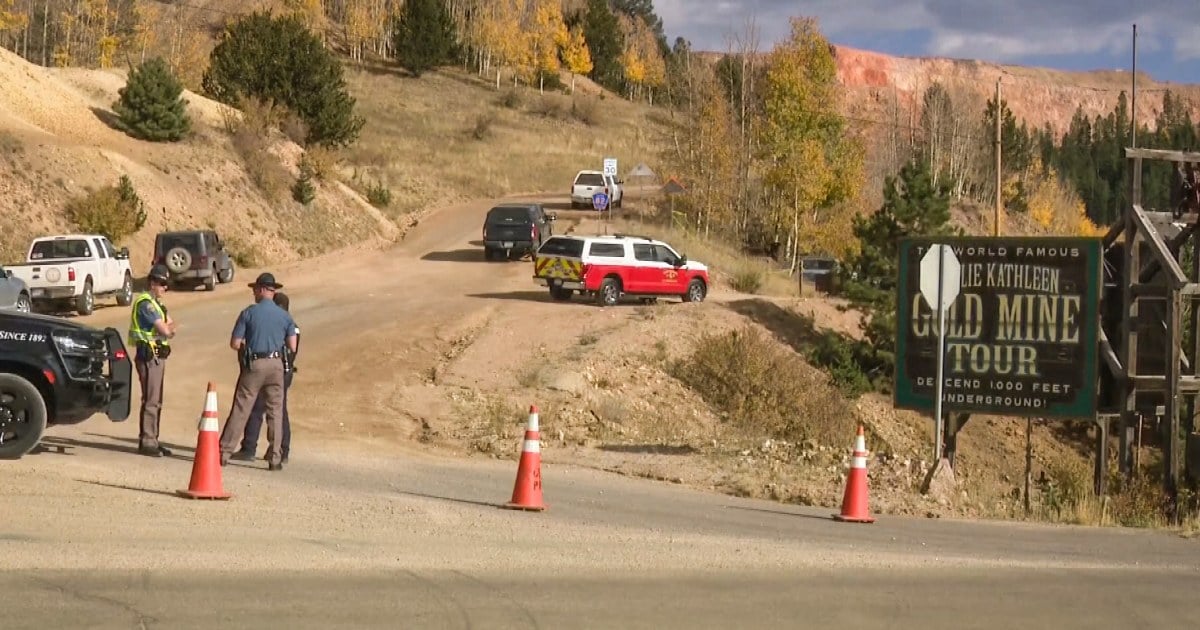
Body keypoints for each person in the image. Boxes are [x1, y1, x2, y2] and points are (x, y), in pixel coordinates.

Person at [217, 272, 298, 471]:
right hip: (277, 364)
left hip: (255, 363)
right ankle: (275, 457)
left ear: (262, 290)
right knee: (275, 411)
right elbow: (292, 346)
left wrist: (248, 345)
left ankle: (224, 451)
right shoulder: (285, 316)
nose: (253, 293)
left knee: (242, 407)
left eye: (255, 289)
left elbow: (235, 344)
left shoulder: (249, 312)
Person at [128, 264, 177, 457]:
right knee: (151, 400)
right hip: (149, 356)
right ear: (152, 283)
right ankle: (147, 441)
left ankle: (153, 439)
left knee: (157, 401)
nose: (165, 287)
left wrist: (167, 327)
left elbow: (173, 325)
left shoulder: (158, 305)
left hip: (157, 356)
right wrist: (166, 328)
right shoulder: (146, 304)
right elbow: (167, 330)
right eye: (162, 283)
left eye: (167, 284)